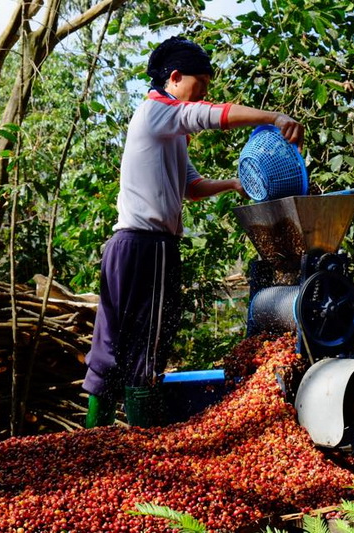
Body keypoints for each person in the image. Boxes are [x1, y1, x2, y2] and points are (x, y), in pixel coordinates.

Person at [83, 36, 304, 428]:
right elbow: (209, 115)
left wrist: (234, 184)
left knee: (112, 342)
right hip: (149, 247)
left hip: (125, 246)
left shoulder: (165, 131)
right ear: (174, 78)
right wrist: (273, 117)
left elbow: (191, 189)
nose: (201, 96)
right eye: (198, 86)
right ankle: (142, 442)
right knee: (146, 348)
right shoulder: (158, 111)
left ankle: (91, 439)